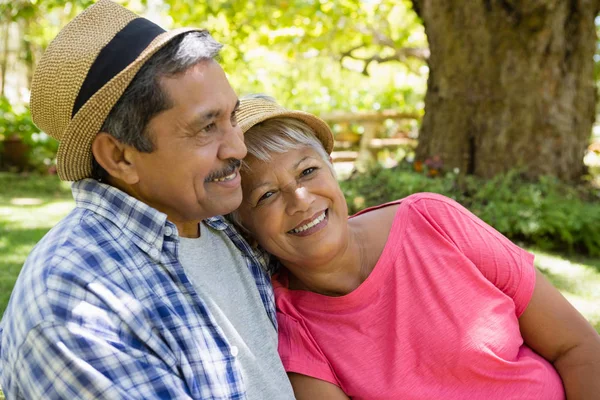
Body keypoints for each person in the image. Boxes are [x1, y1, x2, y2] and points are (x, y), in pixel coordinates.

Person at [0, 2, 295, 399]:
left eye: (232, 117)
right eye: (207, 127)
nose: (238, 147)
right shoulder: (77, 304)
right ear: (120, 157)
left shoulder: (220, 224)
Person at [230, 95, 600, 399]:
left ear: (332, 167)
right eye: (266, 195)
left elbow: (577, 347)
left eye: (308, 171)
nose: (300, 199)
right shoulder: (292, 324)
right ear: (247, 228)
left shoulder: (433, 221)